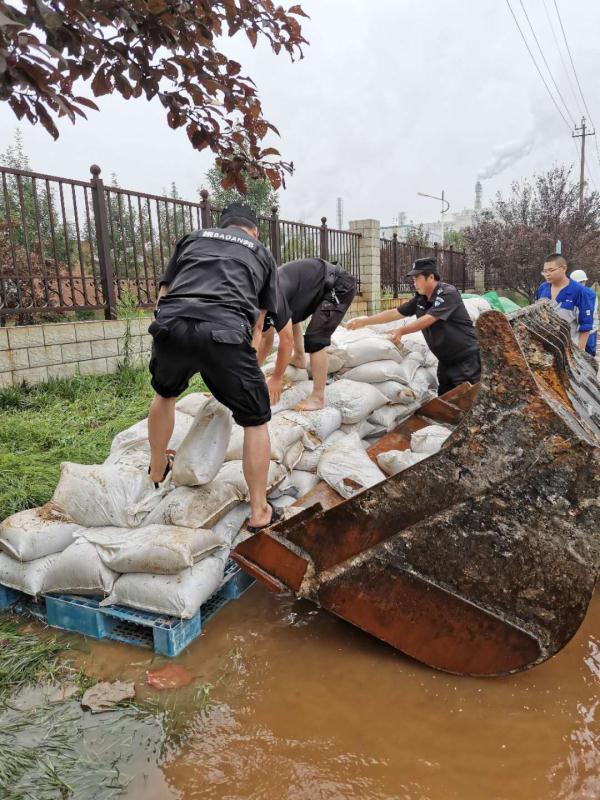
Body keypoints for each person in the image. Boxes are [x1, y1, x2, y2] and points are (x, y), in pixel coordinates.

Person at [146, 203, 282, 533]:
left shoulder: (192, 238)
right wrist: (245, 358)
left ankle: (156, 469)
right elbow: (261, 318)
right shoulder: (261, 252)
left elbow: (163, 294)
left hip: (171, 325)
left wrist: (167, 331)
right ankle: (259, 511)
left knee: (165, 394)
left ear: (221, 224)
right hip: (224, 331)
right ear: (254, 230)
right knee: (256, 419)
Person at [346, 257, 480, 395]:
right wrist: (365, 321)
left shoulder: (447, 293)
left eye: (417, 278)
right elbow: (394, 313)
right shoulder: (420, 299)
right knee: (446, 402)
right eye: (413, 279)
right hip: (446, 361)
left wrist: (401, 331)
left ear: (431, 277)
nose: (414, 282)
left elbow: (429, 318)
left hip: (466, 360)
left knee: (469, 401)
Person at [257, 257, 357, 410]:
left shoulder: (272, 295)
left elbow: (286, 340)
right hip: (320, 283)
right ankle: (299, 357)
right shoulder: (261, 299)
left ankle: (318, 397)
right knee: (291, 316)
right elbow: (265, 337)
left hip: (338, 286)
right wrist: (253, 371)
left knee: (315, 339)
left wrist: (276, 378)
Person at [535, 254, 594, 352]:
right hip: (545, 348)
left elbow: (586, 325)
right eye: (544, 271)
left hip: (568, 349)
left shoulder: (579, 292)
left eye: (551, 270)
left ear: (563, 268)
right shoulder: (542, 289)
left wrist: (579, 351)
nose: (547, 274)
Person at [569, 268, 597, 357]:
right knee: (589, 355)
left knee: (580, 355)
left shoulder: (579, 294)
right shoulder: (591, 294)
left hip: (582, 329)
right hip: (591, 329)